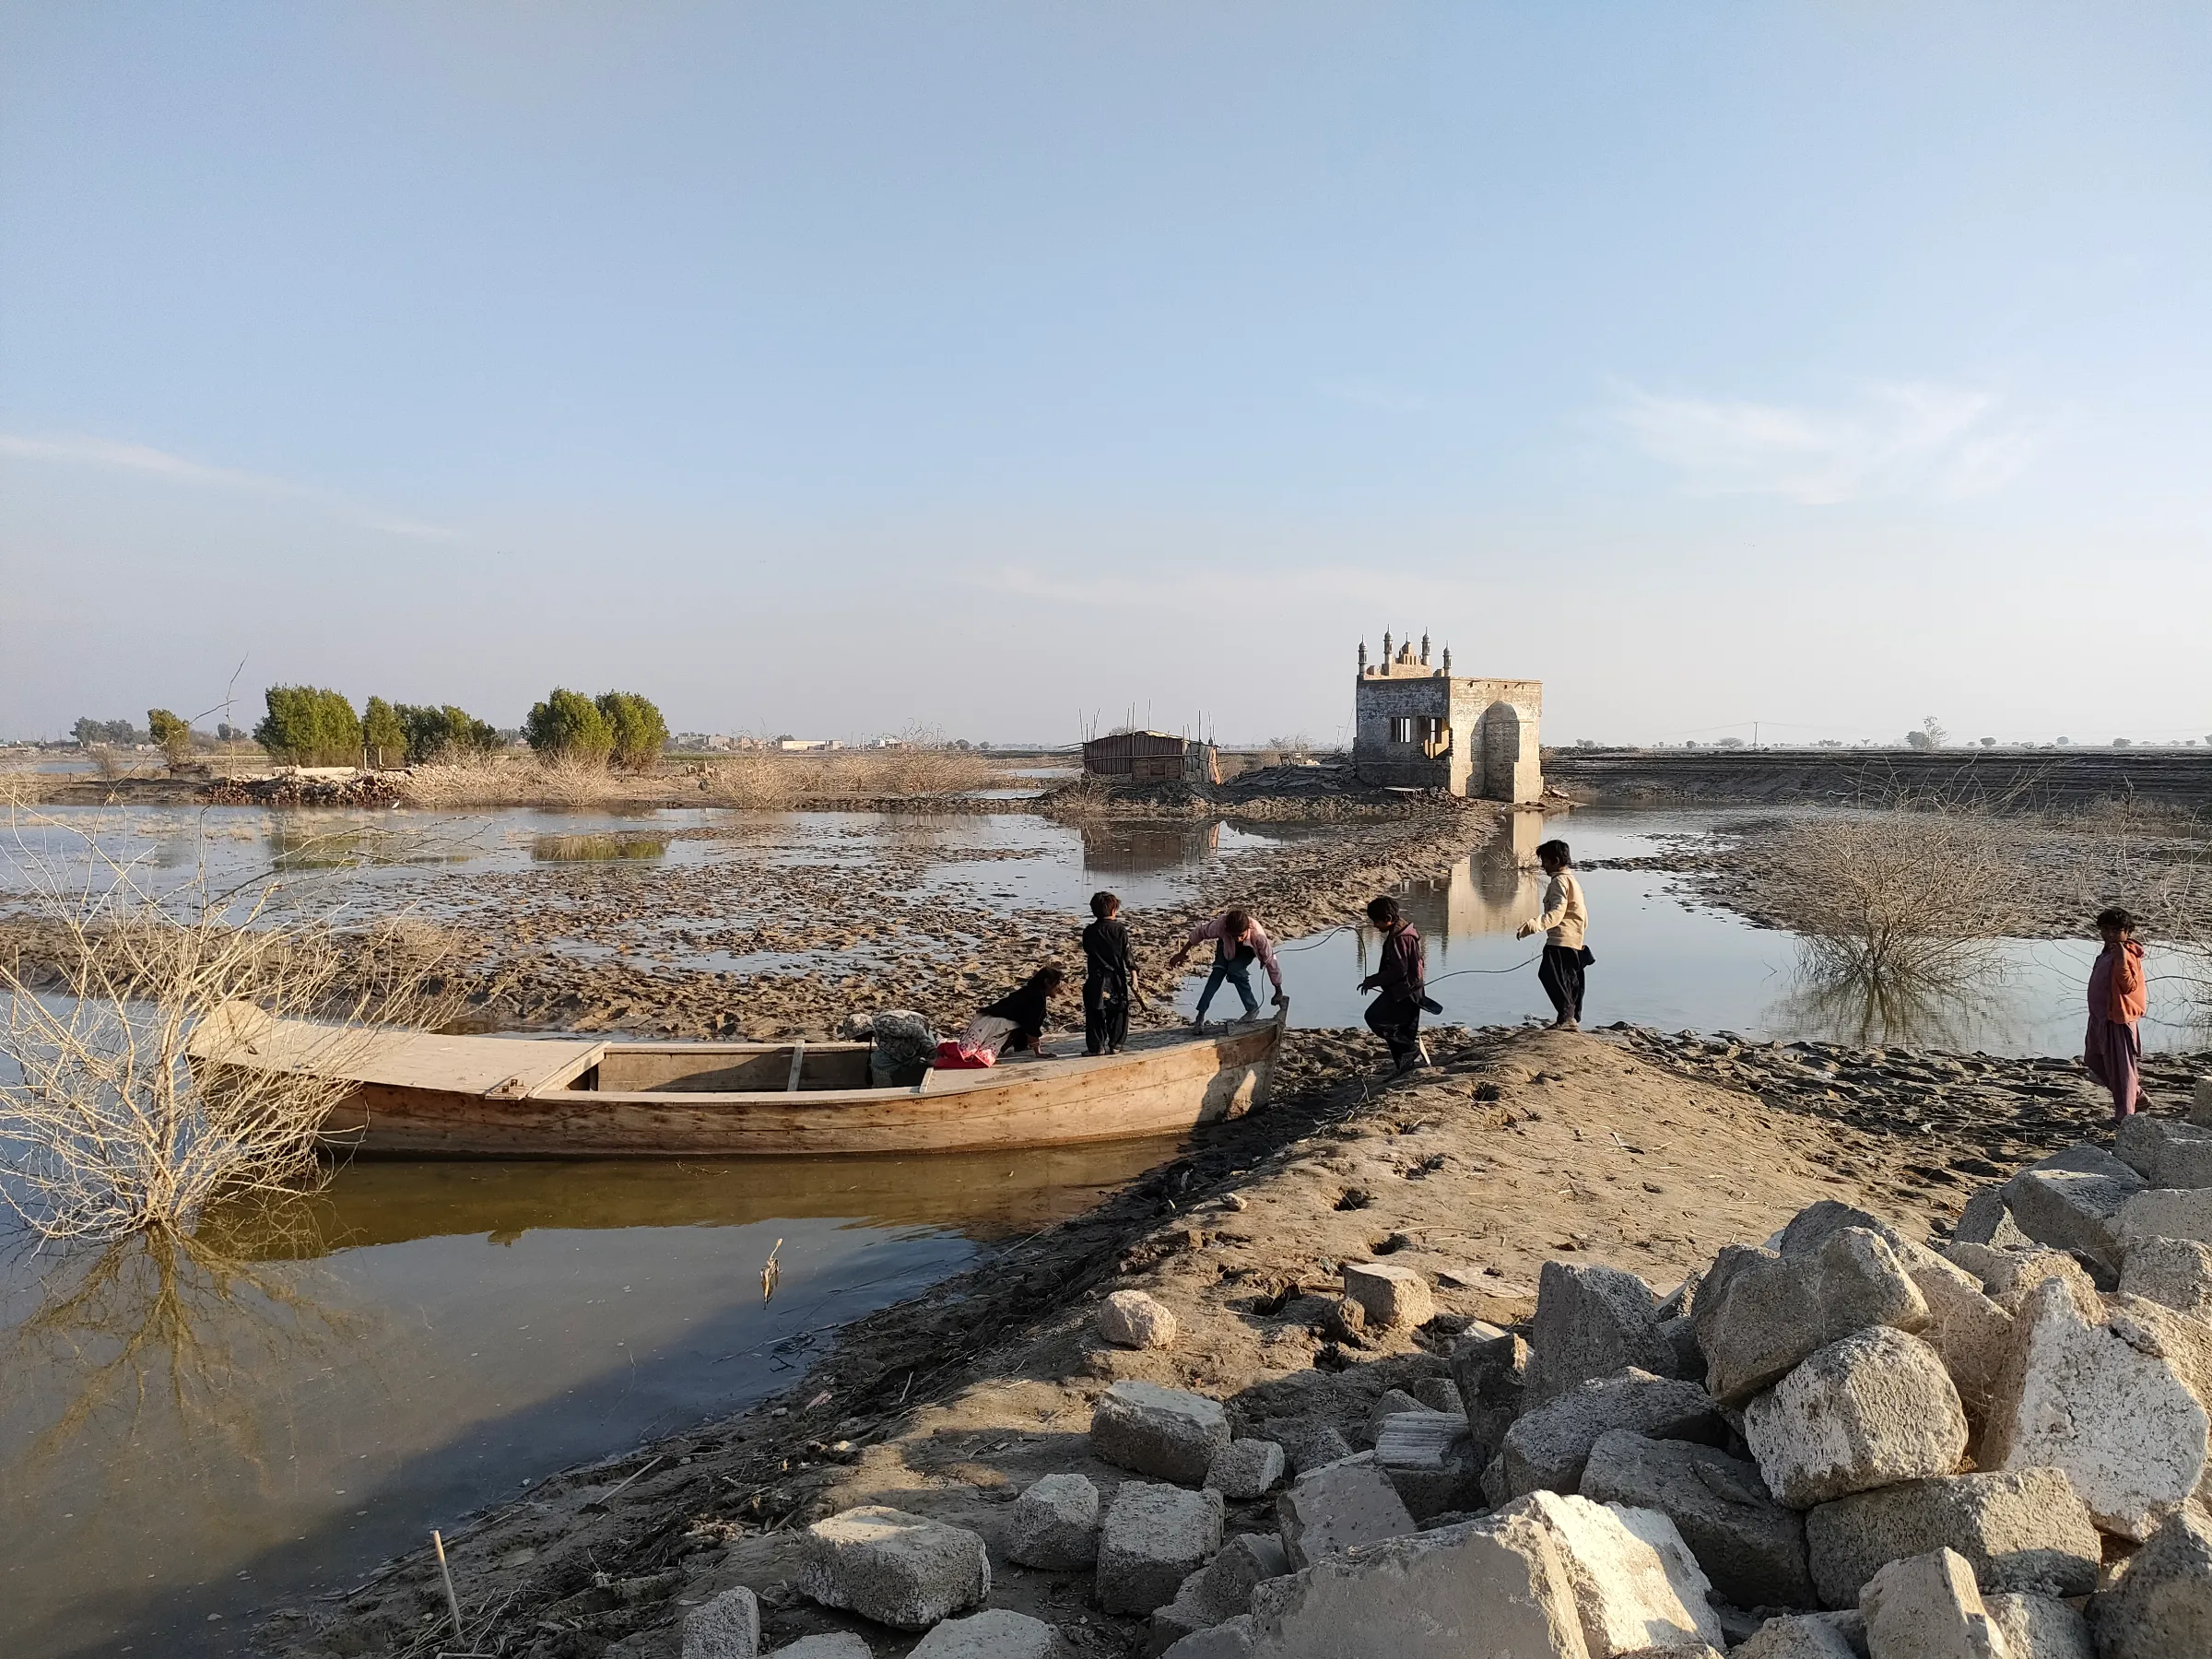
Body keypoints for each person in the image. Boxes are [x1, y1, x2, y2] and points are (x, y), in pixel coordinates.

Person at [1170, 907, 1286, 1030]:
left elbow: (1271, 962)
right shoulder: (1221, 925)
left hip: (1246, 950)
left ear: (1248, 929)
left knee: (1235, 972)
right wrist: (1182, 953)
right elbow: (1200, 932)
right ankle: (1200, 1016)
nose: (1238, 939)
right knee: (1216, 976)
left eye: (1240, 936)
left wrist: (1278, 989)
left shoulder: (1258, 937)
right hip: (1225, 946)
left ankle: (1252, 1009)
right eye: (1234, 936)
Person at [1516, 839, 1590, 1030]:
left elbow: (1557, 913)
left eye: (1545, 862)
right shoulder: (1571, 880)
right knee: (1567, 979)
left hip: (1562, 939)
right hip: (1574, 938)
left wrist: (1532, 926)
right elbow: (1582, 914)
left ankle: (1566, 1019)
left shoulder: (1559, 882)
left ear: (1556, 861)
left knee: (1551, 975)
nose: (1543, 866)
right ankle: (1568, 1018)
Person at [935, 966, 1067, 1069]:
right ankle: (937, 1059)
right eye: (1056, 984)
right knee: (972, 1056)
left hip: (993, 1024)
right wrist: (1038, 1052)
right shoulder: (1036, 998)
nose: (1059, 987)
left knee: (974, 1056)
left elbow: (1026, 1024)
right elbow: (1031, 1027)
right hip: (990, 1025)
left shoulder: (1032, 992)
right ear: (1047, 983)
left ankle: (940, 1056)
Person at [2085, 906, 2147, 1122]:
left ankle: (2125, 1115)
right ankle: (2136, 1095)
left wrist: (2121, 959)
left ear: (2127, 932)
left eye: (2115, 931)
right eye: (2105, 930)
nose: (2110, 935)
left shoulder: (2126, 952)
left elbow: (2128, 986)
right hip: (2099, 1018)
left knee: (2123, 1070)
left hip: (2118, 1019)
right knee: (2093, 1059)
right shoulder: (2107, 951)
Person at [1359, 894, 1430, 1073]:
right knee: (1403, 1030)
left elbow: (1398, 970)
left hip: (1405, 992)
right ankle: (1404, 1070)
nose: (1375, 926)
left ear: (1389, 919)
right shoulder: (1401, 930)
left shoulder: (1400, 937)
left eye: (1377, 922)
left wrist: (1373, 980)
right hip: (1411, 989)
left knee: (1375, 1018)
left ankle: (1410, 1049)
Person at [1081, 891, 1142, 1055]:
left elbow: (1088, 949)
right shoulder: (1120, 930)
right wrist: (1134, 977)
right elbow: (1127, 955)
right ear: (1114, 910)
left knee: (1095, 1013)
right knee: (1119, 1012)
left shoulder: (1089, 931)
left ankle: (1097, 1047)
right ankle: (1116, 1044)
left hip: (1096, 978)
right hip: (1116, 978)